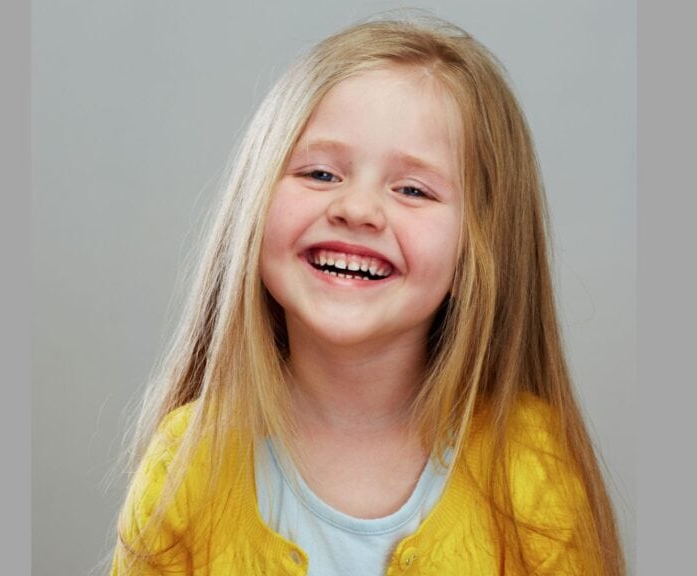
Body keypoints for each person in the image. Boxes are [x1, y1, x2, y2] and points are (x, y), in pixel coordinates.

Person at [109, 15, 625, 576]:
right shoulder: (187, 465)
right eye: (321, 174)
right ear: (252, 200)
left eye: (412, 189)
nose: (356, 209)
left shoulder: (529, 468)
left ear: (482, 244)